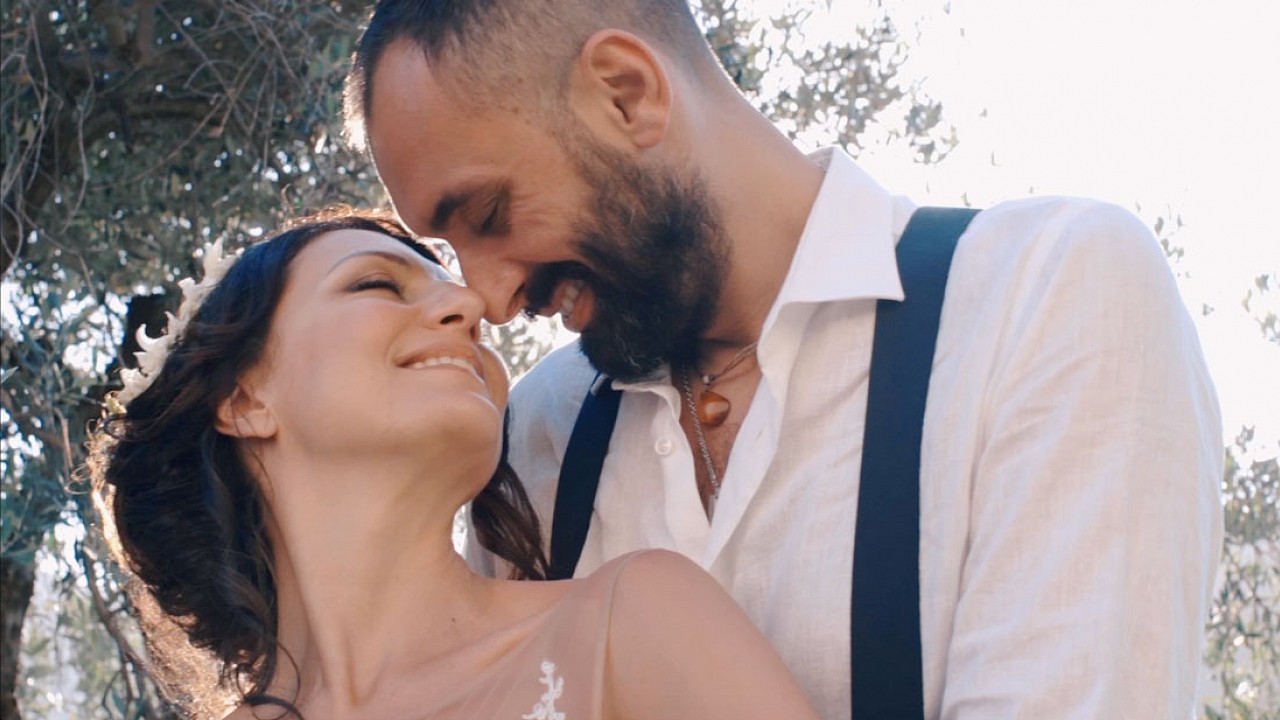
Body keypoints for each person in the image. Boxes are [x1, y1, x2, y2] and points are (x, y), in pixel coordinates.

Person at [342, 2, 1226, 718]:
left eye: (489, 215)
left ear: (626, 93)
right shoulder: (541, 432)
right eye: (450, 249)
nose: (491, 298)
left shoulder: (1044, 292)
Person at [88, 213, 821, 719]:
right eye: (376, 284)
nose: (470, 305)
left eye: (456, 293)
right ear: (246, 398)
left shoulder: (631, 623)